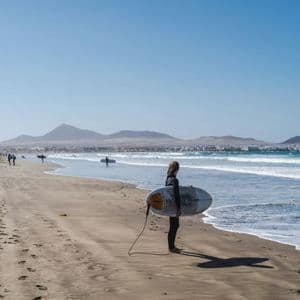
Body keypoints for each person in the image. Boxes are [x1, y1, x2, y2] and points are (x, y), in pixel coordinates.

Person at [165, 161, 181, 253]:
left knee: (174, 225)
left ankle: (172, 246)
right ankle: (171, 247)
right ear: (177, 169)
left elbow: (168, 192)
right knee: (174, 226)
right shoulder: (175, 180)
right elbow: (176, 194)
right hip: (174, 206)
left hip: (169, 205)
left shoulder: (168, 179)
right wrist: (178, 208)